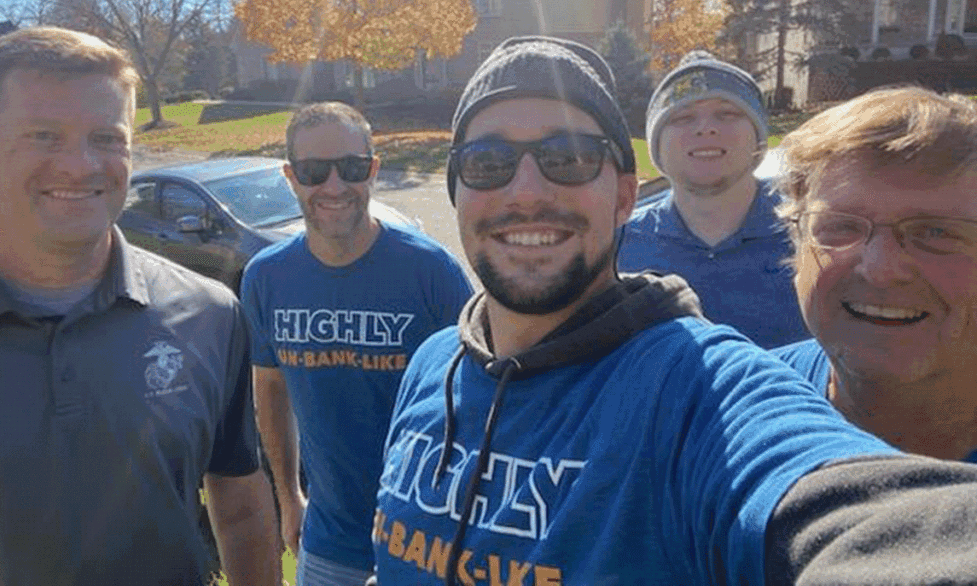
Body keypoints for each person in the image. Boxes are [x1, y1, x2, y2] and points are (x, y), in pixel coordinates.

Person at [373, 35, 977, 585]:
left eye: (571, 157)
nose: (526, 190)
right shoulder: (434, 362)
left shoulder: (700, 388)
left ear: (626, 196)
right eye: (486, 163)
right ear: (457, 192)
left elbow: (859, 518)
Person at [0, 26, 280, 585]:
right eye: (44, 136)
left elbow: (242, 502)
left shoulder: (208, 314)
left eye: (107, 138)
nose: (81, 166)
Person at [241, 101, 473, 585]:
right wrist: (289, 498)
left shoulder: (433, 273)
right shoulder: (266, 277)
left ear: (373, 170)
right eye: (312, 171)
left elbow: (483, 403)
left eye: (351, 168)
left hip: (430, 542)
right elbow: (270, 389)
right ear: (289, 176)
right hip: (330, 541)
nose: (333, 186)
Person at [772, 87, 977, 462]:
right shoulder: (737, 412)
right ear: (797, 244)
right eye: (841, 227)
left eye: (935, 232)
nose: (881, 269)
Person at [616, 51, 808, 348]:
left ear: (758, 137)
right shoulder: (614, 247)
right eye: (682, 117)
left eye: (727, 114)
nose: (706, 128)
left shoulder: (814, 236)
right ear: (657, 145)